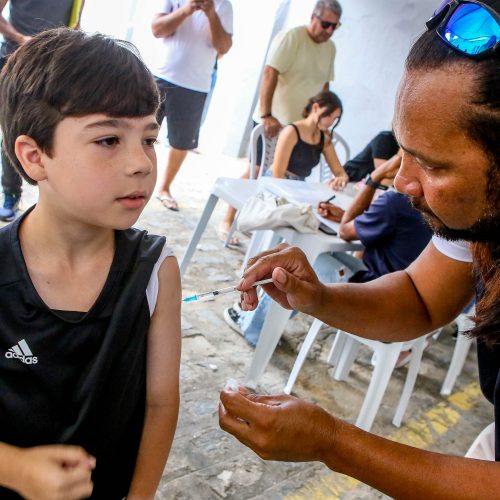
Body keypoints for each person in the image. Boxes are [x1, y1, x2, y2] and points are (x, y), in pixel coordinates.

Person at [219, 1, 500, 496]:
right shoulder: (478, 217)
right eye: (403, 151)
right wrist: (318, 297)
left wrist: (332, 443)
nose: (404, 182)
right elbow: (420, 297)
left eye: (433, 165)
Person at [0, 29, 181, 498]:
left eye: (149, 138)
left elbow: (161, 403)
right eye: (108, 139)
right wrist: (16, 469)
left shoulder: (156, 271)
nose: (141, 163)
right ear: (35, 157)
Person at [224, 153, 431, 347]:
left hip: (374, 299)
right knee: (317, 258)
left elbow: (345, 231)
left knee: (298, 262)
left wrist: (375, 177)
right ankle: (264, 321)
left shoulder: (397, 202)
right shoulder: (433, 210)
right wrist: (343, 215)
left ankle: (254, 329)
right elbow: (365, 224)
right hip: (401, 306)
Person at [219, 0, 342, 243]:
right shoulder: (292, 37)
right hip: (277, 121)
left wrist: (321, 121)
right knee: (257, 171)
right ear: (313, 17)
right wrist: (266, 115)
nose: (329, 31)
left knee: (276, 176)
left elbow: (325, 85)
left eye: (334, 26)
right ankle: (229, 219)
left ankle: (261, 222)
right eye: (326, 24)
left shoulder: (330, 48)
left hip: (304, 127)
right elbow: (270, 73)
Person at [0, 0, 85, 222]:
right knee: (14, 132)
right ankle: (11, 193)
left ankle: (55, 202)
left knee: (56, 132)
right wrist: (20, 39)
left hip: (56, 67)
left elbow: (75, 23)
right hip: (16, 60)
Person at [151, 0, 233, 211]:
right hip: (160, 75)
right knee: (141, 132)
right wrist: (187, 10)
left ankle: (164, 188)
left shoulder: (223, 6)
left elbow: (223, 48)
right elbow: (157, 29)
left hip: (195, 85)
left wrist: (211, 13)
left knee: (181, 143)